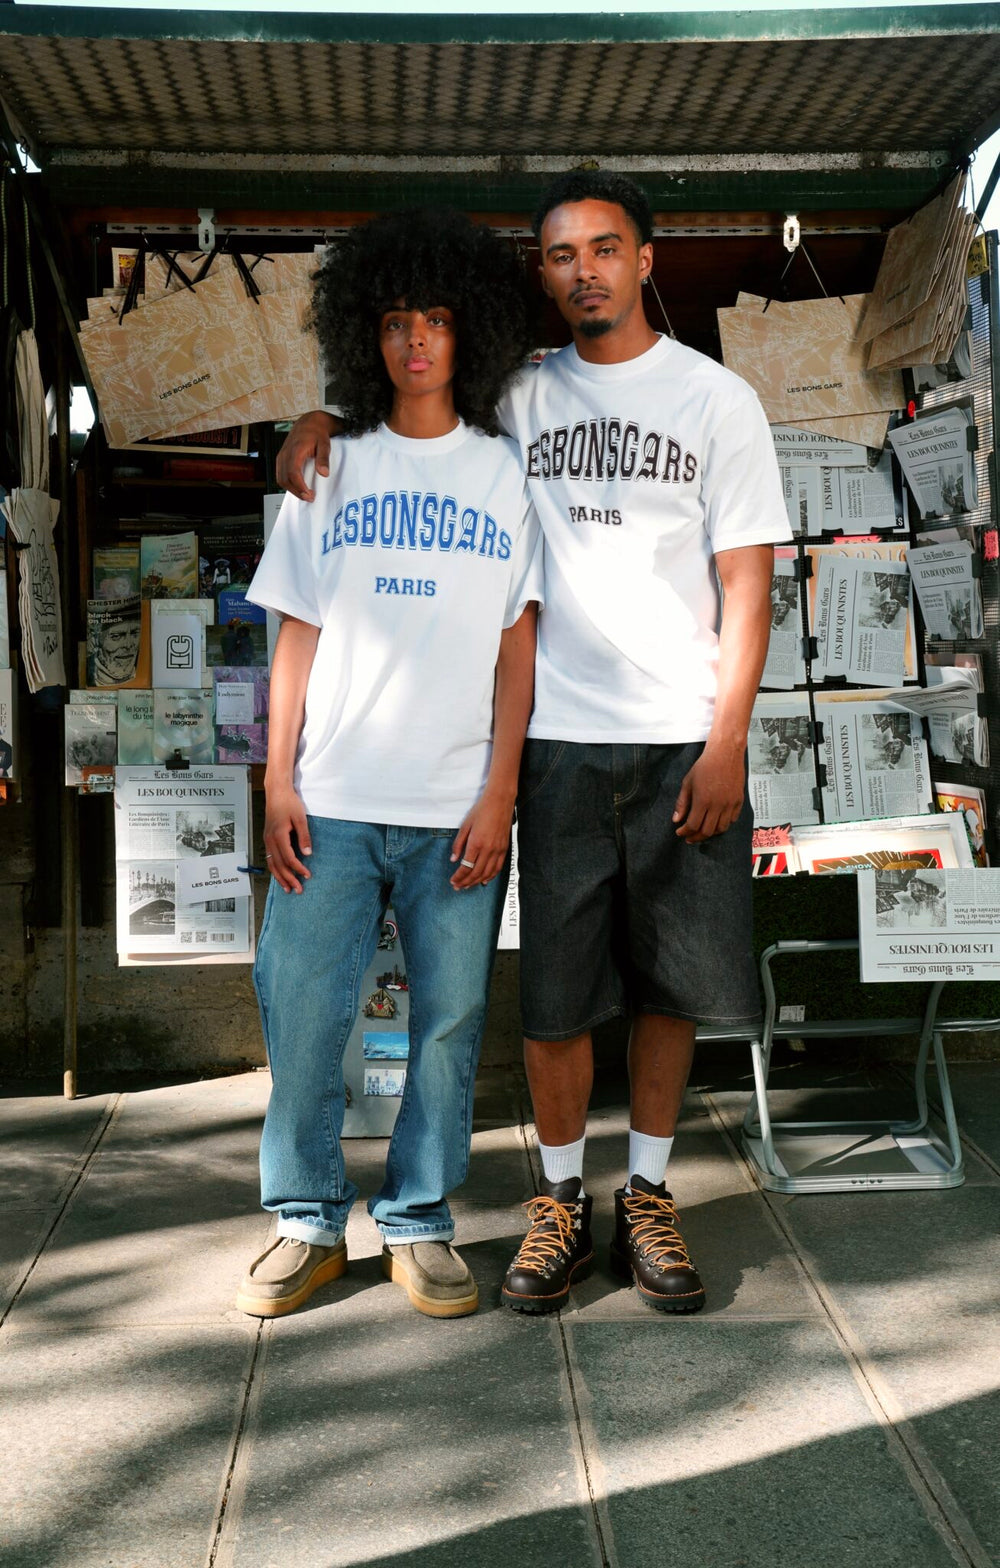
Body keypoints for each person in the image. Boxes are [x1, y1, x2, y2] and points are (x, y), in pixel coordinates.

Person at [277, 171, 791, 1316]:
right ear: (543, 274)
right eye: (561, 256)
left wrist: (727, 741)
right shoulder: (520, 395)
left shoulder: (718, 403)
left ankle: (646, 1193)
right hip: (555, 738)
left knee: (671, 987)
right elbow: (410, 416)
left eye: (604, 248)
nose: (584, 271)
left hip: (678, 740)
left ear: (644, 259)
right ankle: (560, 1200)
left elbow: (746, 585)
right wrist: (318, 423)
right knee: (555, 998)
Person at [236, 208, 541, 1321]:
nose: (417, 342)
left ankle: (417, 1220)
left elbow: (519, 647)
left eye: (440, 320)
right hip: (333, 800)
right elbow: (295, 630)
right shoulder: (332, 464)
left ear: (475, 335)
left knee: (450, 1022)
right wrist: (278, 778)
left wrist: (500, 788)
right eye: (398, 320)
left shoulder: (505, 475)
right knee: (303, 1011)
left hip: (454, 801)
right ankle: (306, 1220)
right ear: (370, 332)